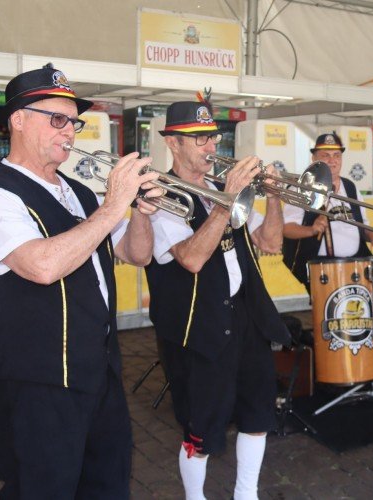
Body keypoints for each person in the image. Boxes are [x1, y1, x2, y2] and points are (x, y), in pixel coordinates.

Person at [0, 64, 162, 498]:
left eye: (74, 122)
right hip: (37, 379)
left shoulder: (81, 193)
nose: (69, 132)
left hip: (98, 369)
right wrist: (112, 207)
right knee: (43, 487)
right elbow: (42, 266)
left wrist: (141, 211)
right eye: (57, 119)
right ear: (17, 119)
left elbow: (136, 254)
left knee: (107, 483)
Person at [144, 100, 292, 500]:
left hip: (246, 315)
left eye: (213, 136)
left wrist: (273, 195)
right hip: (198, 325)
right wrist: (228, 199)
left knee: (257, 413)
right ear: (173, 144)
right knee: (202, 425)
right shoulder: (159, 194)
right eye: (199, 139)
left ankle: (247, 493)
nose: (211, 146)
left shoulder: (221, 188)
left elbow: (271, 242)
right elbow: (191, 258)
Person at [282, 131, 373, 290]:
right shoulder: (300, 188)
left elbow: (363, 225)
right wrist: (311, 230)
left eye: (337, 155)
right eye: (326, 155)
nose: (332, 161)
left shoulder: (350, 187)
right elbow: (287, 229)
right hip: (322, 268)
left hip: (357, 263)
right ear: (314, 159)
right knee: (332, 312)